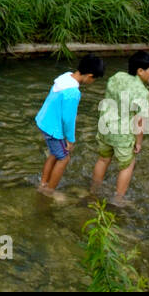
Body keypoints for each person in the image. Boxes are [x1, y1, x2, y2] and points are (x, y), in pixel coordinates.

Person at [34, 55, 105, 199]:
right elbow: (69, 119)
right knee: (64, 158)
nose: (93, 82)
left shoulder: (66, 77)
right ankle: (50, 191)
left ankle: (42, 184)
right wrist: (70, 140)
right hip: (53, 127)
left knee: (55, 153)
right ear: (90, 76)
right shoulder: (73, 92)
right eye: (94, 79)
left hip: (44, 120)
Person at [92, 51, 149, 204]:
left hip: (105, 127)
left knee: (103, 159)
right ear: (140, 71)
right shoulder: (142, 92)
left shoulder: (117, 76)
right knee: (127, 165)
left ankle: (93, 192)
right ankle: (118, 199)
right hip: (123, 135)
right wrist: (139, 142)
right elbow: (139, 121)